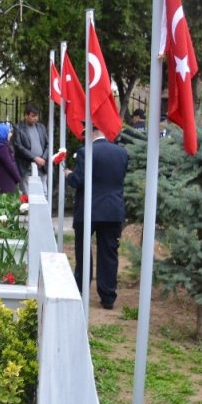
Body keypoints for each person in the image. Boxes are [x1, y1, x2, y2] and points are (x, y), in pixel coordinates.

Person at [65, 125, 128, 310]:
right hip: (112, 210)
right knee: (109, 253)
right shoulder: (121, 153)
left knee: (84, 251)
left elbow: (79, 180)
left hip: (89, 210)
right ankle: (108, 296)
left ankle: (82, 289)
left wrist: (68, 174)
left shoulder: (86, 152)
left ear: (92, 133)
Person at [12, 106, 49, 195]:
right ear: (26, 116)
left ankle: (43, 209)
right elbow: (18, 147)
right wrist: (35, 158)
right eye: (33, 116)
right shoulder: (18, 128)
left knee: (44, 192)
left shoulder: (41, 127)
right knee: (27, 194)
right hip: (26, 166)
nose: (35, 118)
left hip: (42, 166)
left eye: (36, 116)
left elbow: (48, 144)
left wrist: (43, 158)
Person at [0, 123, 21, 194]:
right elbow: (9, 165)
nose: (10, 134)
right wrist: (18, 178)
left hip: (2, 179)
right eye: (8, 132)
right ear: (1, 133)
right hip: (4, 181)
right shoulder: (2, 147)